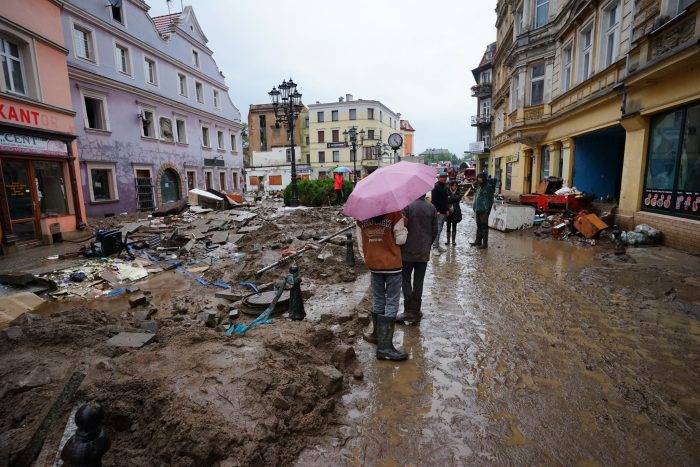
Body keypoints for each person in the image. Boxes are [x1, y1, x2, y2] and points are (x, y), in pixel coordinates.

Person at [357, 211, 409, 361]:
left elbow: (360, 243)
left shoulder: (361, 217)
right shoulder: (394, 214)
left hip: (374, 264)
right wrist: (404, 228)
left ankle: (376, 335)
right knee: (392, 301)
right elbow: (400, 240)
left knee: (378, 299)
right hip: (392, 264)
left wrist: (369, 258)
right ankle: (385, 348)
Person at [396, 194, 437, 325]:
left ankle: (409, 310)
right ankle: (416, 310)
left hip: (407, 250)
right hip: (423, 252)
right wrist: (427, 244)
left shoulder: (407, 206)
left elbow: (400, 228)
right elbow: (435, 230)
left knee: (406, 279)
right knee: (419, 280)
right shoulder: (431, 207)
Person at [471, 173, 496, 249]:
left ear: (484, 178)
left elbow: (490, 200)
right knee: (479, 226)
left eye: (480, 178)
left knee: (484, 227)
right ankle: (478, 241)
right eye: (478, 178)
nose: (479, 179)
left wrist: (487, 209)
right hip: (478, 210)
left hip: (484, 211)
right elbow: (477, 198)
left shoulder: (488, 187)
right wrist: (474, 207)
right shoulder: (479, 187)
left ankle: (485, 244)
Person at [430, 172, 449, 256]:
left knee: (440, 230)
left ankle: (437, 246)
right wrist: (436, 211)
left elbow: (445, 200)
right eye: (443, 177)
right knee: (437, 230)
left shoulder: (444, 186)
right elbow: (434, 201)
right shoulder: (436, 186)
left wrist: (447, 209)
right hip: (439, 212)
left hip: (443, 212)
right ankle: (434, 248)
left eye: (446, 177)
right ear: (439, 178)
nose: (445, 178)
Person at [445, 181, 463, 246]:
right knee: (448, 226)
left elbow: (458, 198)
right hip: (448, 211)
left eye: (456, 185)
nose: (454, 187)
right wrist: (454, 198)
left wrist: (450, 196)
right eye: (453, 185)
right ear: (450, 185)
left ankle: (453, 241)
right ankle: (448, 241)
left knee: (454, 226)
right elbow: (446, 200)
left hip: (456, 211)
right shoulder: (447, 191)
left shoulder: (459, 192)